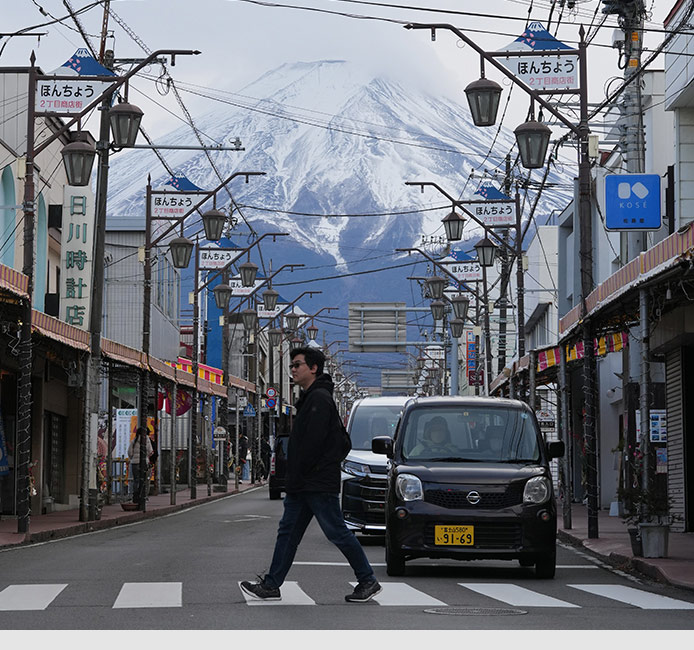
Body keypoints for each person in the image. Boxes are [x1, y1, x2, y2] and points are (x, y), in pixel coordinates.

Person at [240, 346, 382, 603]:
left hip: (315, 482)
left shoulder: (319, 399)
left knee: (336, 531)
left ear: (313, 368)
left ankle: (368, 579)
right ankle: (272, 584)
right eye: (291, 366)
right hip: (304, 483)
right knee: (288, 532)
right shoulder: (311, 397)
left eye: (297, 365)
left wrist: (303, 472)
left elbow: (313, 444)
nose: (292, 369)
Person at [128, 426, 153, 503]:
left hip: (134, 463)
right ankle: (143, 496)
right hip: (143, 462)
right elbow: (150, 451)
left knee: (136, 480)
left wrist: (133, 457)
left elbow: (130, 452)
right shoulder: (147, 440)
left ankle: (135, 496)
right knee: (144, 480)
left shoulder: (134, 440)